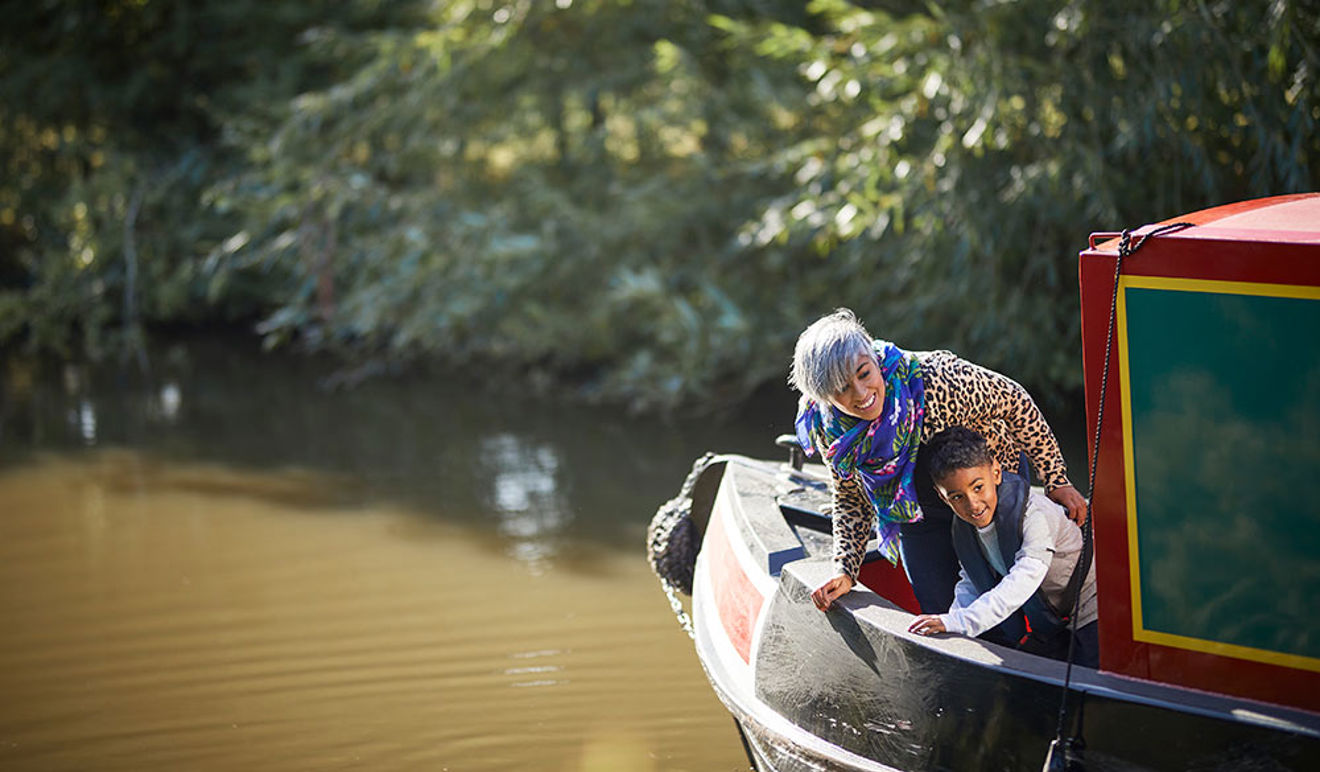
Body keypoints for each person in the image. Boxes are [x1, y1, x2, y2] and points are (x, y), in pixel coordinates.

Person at [790, 308, 1086, 614]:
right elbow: (850, 495)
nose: (862, 393)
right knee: (938, 605)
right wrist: (846, 567)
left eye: (864, 374)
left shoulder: (937, 378)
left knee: (1018, 590)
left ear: (874, 360)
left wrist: (1055, 478)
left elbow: (1015, 401)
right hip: (917, 509)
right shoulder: (827, 428)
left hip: (988, 486)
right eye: (842, 389)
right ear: (823, 397)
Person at [907, 427, 1098, 667]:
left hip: (1092, 611)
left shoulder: (1035, 514)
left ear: (996, 473)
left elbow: (1023, 579)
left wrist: (962, 621)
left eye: (978, 487)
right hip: (1055, 621)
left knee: (1089, 691)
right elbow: (970, 579)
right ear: (942, 496)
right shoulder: (966, 526)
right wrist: (951, 621)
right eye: (957, 497)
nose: (973, 504)